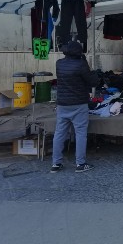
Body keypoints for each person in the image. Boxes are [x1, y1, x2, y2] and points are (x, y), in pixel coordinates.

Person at [50, 40, 100, 173]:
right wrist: (92, 71)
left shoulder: (59, 64)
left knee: (59, 133)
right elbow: (93, 81)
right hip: (79, 104)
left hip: (62, 104)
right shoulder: (81, 65)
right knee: (81, 133)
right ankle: (80, 164)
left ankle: (56, 163)